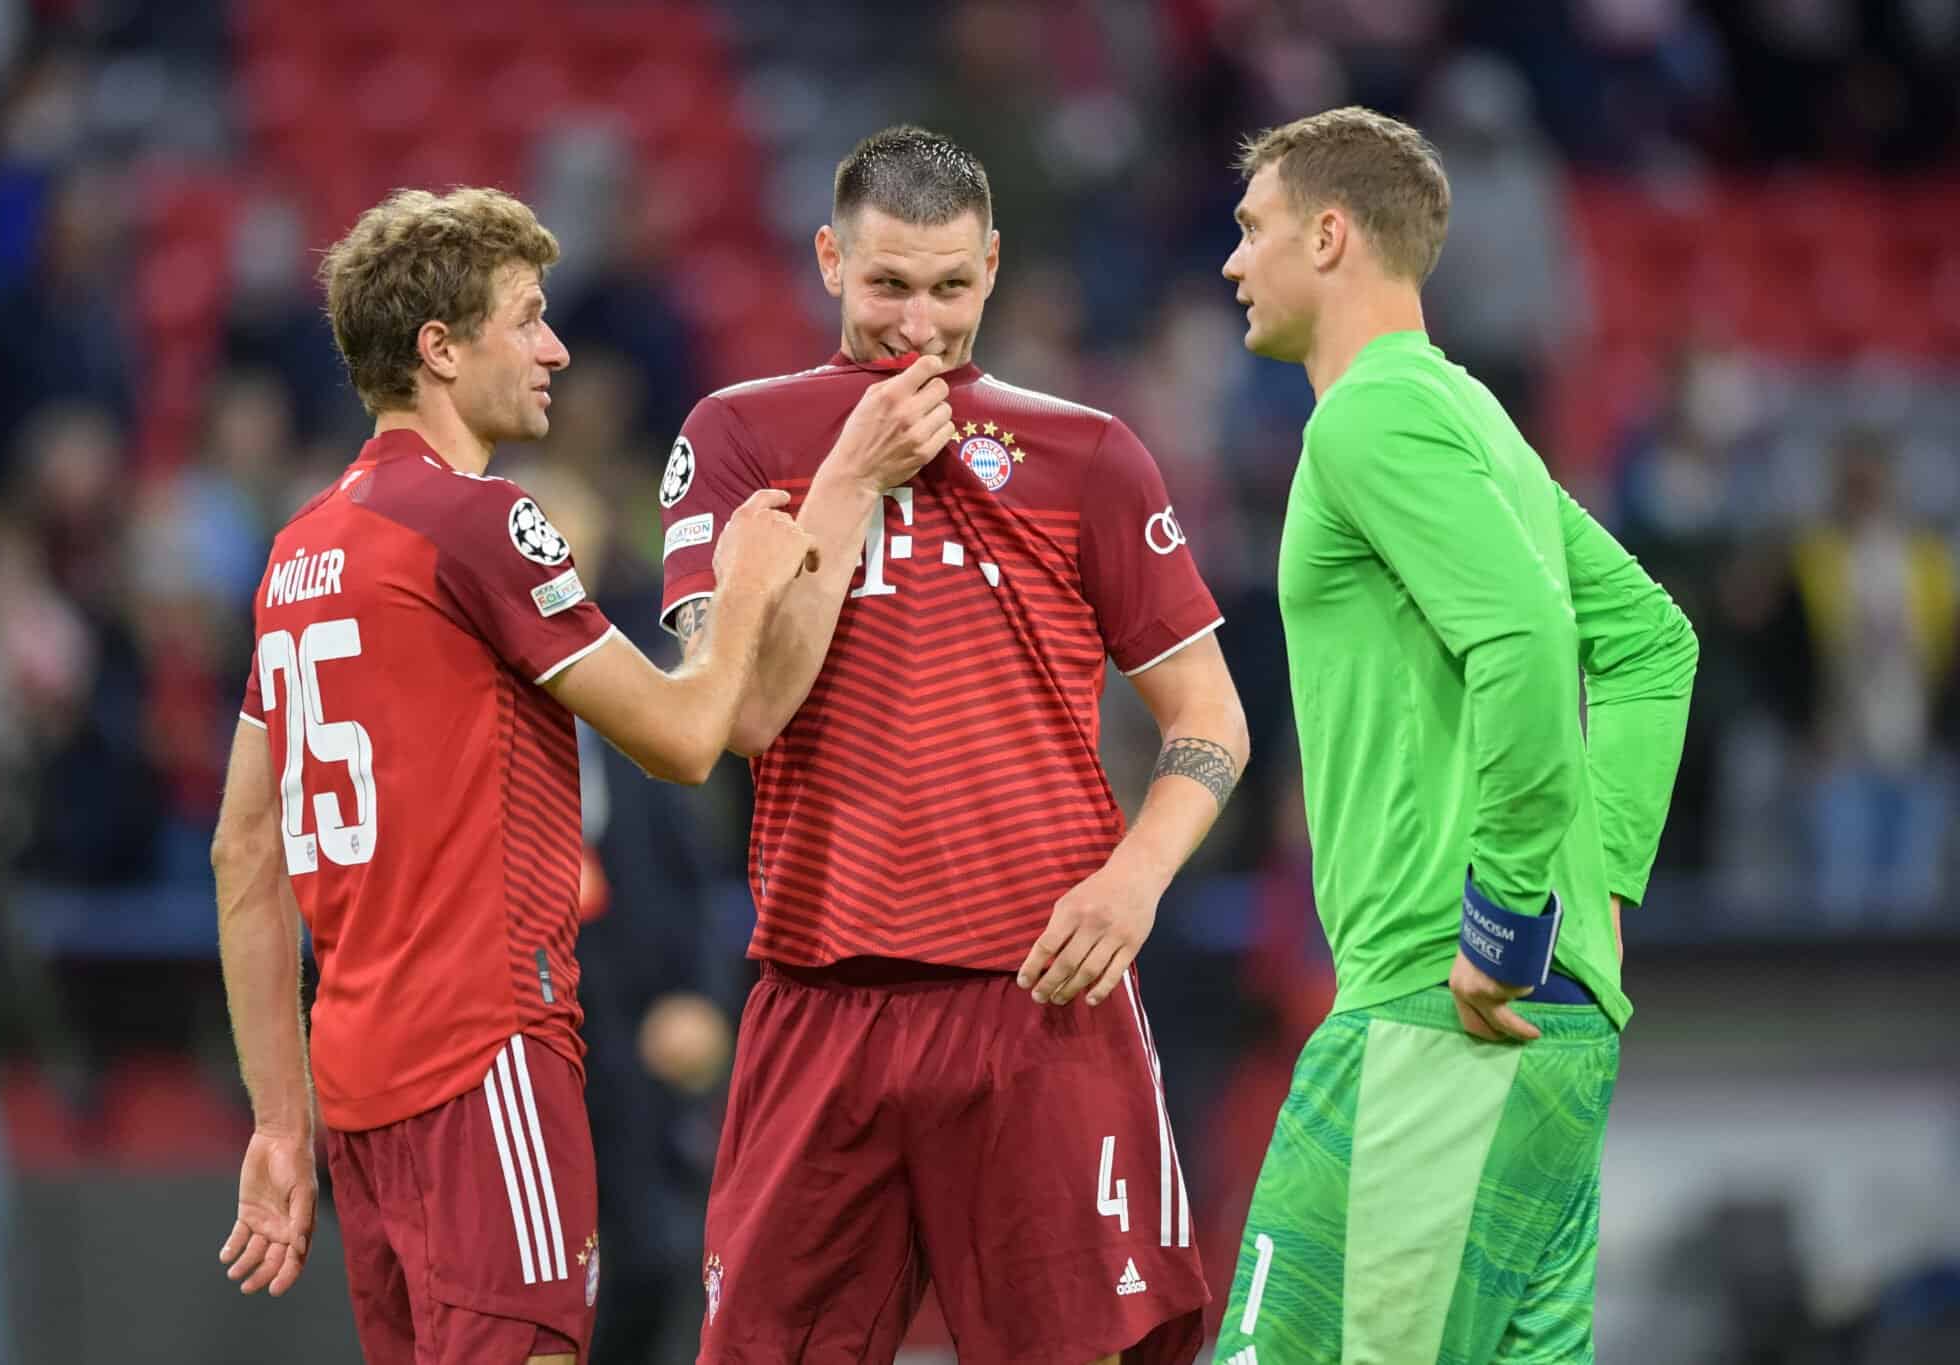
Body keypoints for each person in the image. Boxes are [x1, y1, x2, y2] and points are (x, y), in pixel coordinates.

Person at [659, 126, 1250, 1365]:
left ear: (990, 266)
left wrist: (1134, 877)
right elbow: (744, 714)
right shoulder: (735, 437)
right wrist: (848, 483)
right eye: (885, 285)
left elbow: (1209, 718)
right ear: (829, 259)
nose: (916, 325)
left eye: (946, 287)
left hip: (1039, 1001)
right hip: (822, 996)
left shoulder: (1089, 452)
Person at [210, 186, 827, 1365]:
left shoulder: (297, 553)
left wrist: (279, 1127)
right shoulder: (480, 521)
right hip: (484, 1060)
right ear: (441, 350)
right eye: (528, 318)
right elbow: (687, 737)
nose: (554, 348)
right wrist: (746, 576)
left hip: (357, 1094)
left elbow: (244, 853)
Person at [1213, 107, 1699, 1363]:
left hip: (1442, 1005)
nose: (1230, 261)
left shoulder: (1365, 419)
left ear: (1328, 236)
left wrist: (1504, 915)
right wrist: (1590, 891)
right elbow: (1652, 647)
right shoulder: (1474, 417)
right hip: (1548, 1019)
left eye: (1251, 229)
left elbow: (1529, 642)